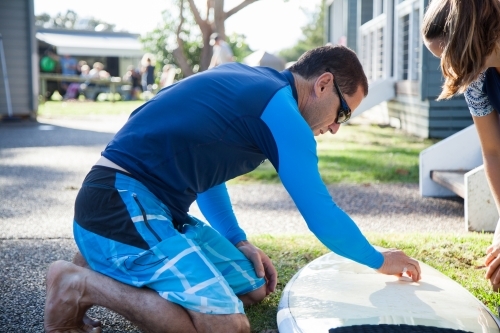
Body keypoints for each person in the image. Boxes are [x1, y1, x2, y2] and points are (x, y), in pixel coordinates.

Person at [44, 45, 421, 333]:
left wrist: (237, 239)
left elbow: (206, 171)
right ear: (323, 84)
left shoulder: (260, 85)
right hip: (118, 199)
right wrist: (379, 259)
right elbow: (320, 213)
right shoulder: (283, 114)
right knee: (227, 325)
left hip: (158, 210)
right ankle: (77, 283)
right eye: (343, 113)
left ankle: (106, 256)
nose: (336, 127)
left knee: (255, 285)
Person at [421, 0, 500, 288]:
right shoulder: (477, 79)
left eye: (448, 56)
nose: (448, 69)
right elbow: (493, 152)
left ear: (468, 38)